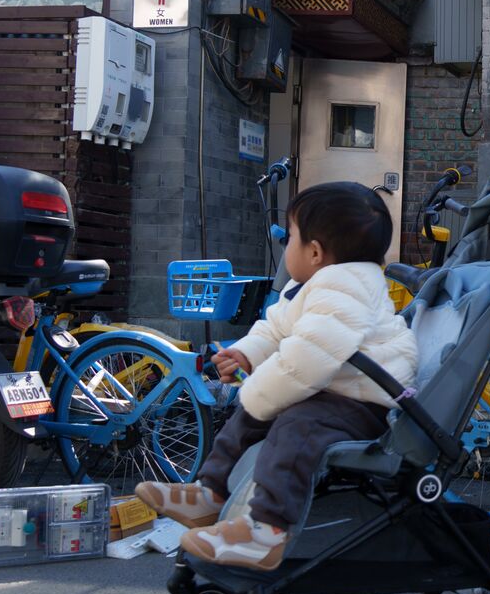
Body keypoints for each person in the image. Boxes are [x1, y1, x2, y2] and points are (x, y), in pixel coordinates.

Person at [136, 183, 418, 571]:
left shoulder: (345, 287)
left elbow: (309, 357)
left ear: (315, 253)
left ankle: (265, 533)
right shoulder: (310, 287)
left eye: (292, 238)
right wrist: (247, 355)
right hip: (337, 389)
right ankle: (211, 493)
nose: (287, 248)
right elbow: (275, 330)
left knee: (293, 428)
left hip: (363, 400)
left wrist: (257, 392)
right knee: (257, 413)